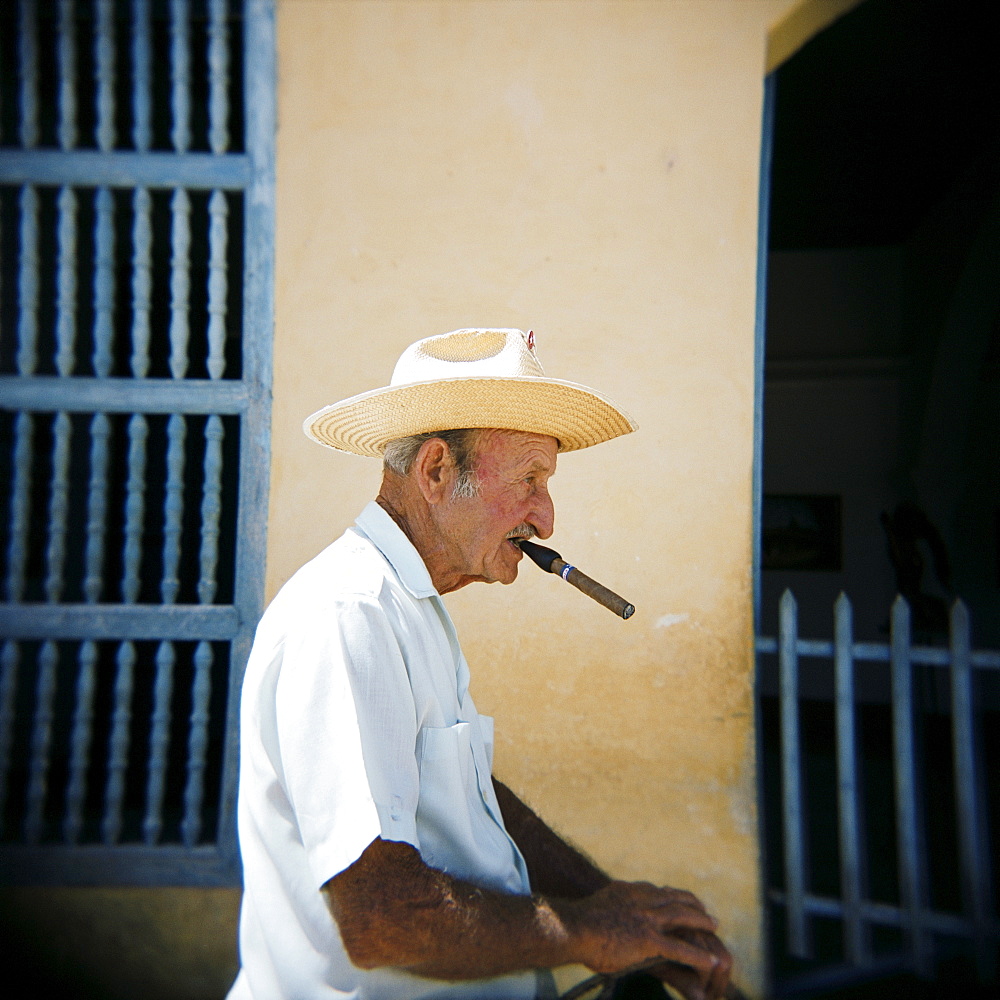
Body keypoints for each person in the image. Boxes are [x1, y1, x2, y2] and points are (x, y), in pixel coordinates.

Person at [227, 328, 734, 1000]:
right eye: (530, 480)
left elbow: (470, 796)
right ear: (436, 472)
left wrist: (608, 902)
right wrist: (585, 930)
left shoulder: (414, 607)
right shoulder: (349, 617)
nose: (546, 520)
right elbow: (382, 922)